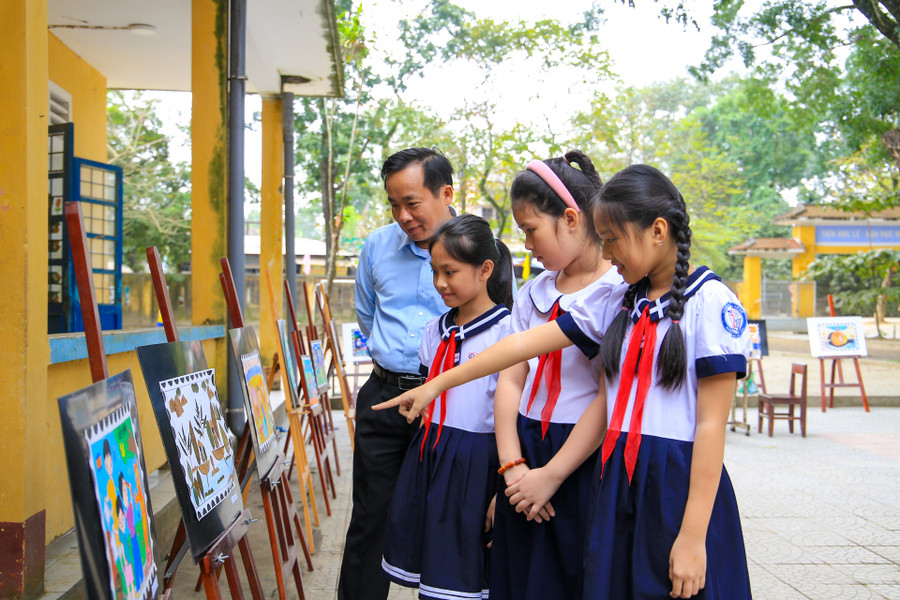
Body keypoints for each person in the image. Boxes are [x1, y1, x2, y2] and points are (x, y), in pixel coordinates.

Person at [379, 164, 752, 599]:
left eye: (612, 239)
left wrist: (692, 537)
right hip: (618, 476)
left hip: (674, 479)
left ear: (657, 231)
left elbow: (711, 425)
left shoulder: (711, 302)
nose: (607, 252)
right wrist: (437, 384)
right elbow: (521, 347)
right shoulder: (621, 302)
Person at [490, 151, 621, 600]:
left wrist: (552, 475)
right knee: (521, 578)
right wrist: (513, 468)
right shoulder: (533, 293)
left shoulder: (617, 293)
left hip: (582, 459)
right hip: (525, 452)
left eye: (531, 230)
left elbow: (609, 395)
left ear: (569, 218)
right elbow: (510, 379)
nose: (527, 244)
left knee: (571, 577)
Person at [338, 147, 456, 600]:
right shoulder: (377, 246)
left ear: (446, 194)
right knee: (370, 520)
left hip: (451, 404)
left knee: (452, 521)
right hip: (385, 397)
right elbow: (367, 315)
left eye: (412, 203)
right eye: (394, 204)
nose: (403, 216)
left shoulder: (479, 247)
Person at [381, 214, 514, 600]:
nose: (440, 283)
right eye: (435, 271)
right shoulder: (434, 331)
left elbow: (514, 415)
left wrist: (503, 486)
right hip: (430, 456)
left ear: (485, 269)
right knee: (433, 567)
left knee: (465, 574)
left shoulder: (508, 333)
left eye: (450, 272)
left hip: (477, 464)